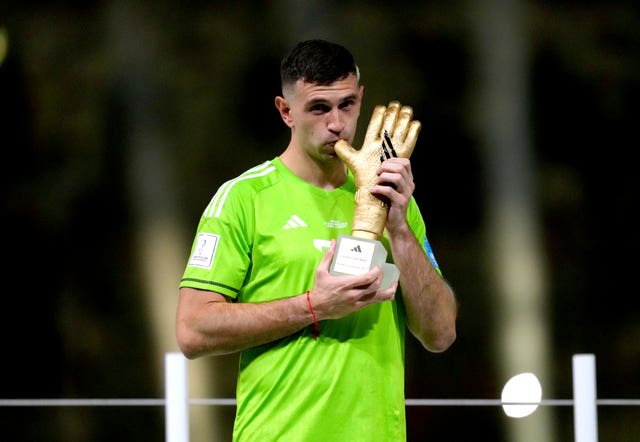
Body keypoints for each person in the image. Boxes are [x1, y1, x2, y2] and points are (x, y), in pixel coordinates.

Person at [176, 39, 457, 441]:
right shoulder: (244, 198)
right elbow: (193, 330)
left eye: (346, 105)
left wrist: (398, 227)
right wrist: (314, 306)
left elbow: (441, 333)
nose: (337, 123)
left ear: (361, 99)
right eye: (319, 108)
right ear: (285, 111)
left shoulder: (392, 198)